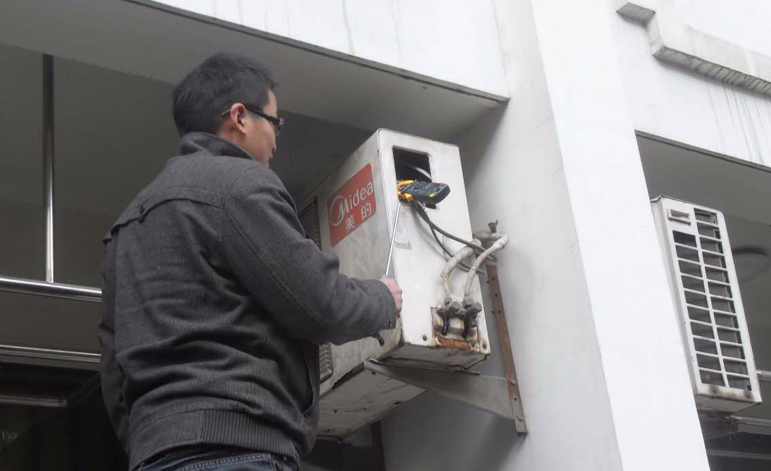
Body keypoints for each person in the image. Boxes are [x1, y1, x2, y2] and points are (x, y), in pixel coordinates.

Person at [98, 53, 402, 471]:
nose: (276, 140)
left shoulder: (125, 227)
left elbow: (114, 372)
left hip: (155, 458)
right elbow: (321, 302)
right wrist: (383, 298)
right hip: (239, 449)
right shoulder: (240, 184)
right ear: (239, 117)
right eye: (275, 122)